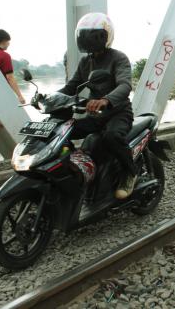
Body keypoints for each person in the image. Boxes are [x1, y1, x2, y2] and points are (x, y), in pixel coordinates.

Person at [58, 12, 136, 199]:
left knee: (112, 136)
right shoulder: (86, 61)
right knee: (63, 132)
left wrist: (106, 100)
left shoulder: (119, 58)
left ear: (106, 36)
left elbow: (125, 85)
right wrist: (50, 98)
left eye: (94, 36)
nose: (89, 40)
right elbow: (72, 86)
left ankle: (129, 173)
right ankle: (78, 171)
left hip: (118, 112)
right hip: (95, 116)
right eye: (85, 36)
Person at [0, 29, 26, 159]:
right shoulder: (4, 56)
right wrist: (20, 95)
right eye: (8, 41)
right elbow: (10, 77)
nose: (9, 44)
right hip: (2, 94)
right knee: (14, 118)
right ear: (4, 41)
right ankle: (21, 147)